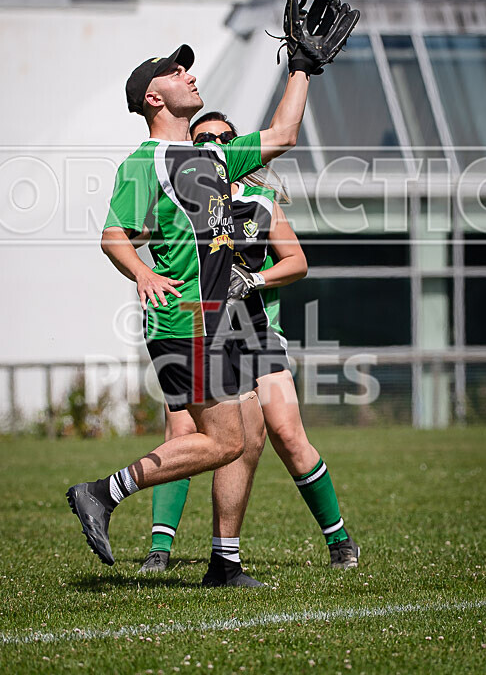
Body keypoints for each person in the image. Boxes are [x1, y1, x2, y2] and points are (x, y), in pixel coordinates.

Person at [66, 42, 314, 582]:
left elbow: (284, 134)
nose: (190, 74)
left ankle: (224, 562)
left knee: (246, 437)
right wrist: (145, 273)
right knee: (223, 440)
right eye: (176, 72)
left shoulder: (215, 157)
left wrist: (301, 66)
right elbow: (113, 236)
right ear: (155, 97)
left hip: (223, 322)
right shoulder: (144, 162)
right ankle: (102, 493)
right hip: (185, 318)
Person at [139, 112, 360, 577]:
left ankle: (339, 539)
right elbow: (138, 240)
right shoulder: (183, 197)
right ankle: (160, 550)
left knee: (285, 432)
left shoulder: (262, 200)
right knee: (183, 432)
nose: (217, 144)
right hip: (198, 325)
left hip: (256, 331)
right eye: (205, 139)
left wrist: (254, 278)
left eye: (225, 138)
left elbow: (297, 262)